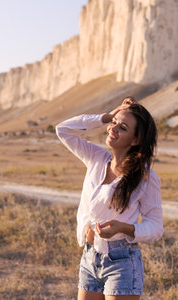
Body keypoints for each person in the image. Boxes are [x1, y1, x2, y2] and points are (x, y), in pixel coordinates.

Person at [56, 97, 163, 299]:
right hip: (90, 256)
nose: (113, 128)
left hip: (122, 261)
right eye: (114, 123)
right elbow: (63, 130)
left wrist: (123, 227)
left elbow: (156, 227)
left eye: (122, 127)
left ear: (136, 140)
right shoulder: (96, 158)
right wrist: (107, 116)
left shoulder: (146, 178)